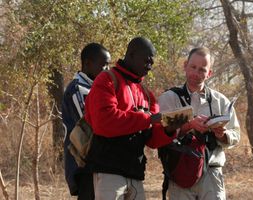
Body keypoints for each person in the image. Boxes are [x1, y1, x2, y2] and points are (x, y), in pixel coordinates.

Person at [83, 37, 187, 200]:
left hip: (135, 172)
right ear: (131, 55)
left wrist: (169, 129)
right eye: (147, 61)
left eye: (152, 62)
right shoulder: (107, 80)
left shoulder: (146, 94)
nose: (150, 66)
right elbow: (104, 122)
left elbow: (152, 140)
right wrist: (147, 119)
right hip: (108, 169)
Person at [158, 47, 241, 200]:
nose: (196, 73)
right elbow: (161, 133)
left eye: (202, 70)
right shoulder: (169, 98)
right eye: (193, 67)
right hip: (179, 172)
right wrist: (189, 125)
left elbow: (235, 135)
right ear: (185, 65)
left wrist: (222, 135)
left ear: (210, 73)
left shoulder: (221, 101)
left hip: (212, 172)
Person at [62, 43, 111, 200]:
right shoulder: (77, 89)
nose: (107, 70)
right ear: (88, 64)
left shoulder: (97, 88)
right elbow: (90, 124)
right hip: (83, 164)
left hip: (97, 163)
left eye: (109, 66)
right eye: (103, 65)